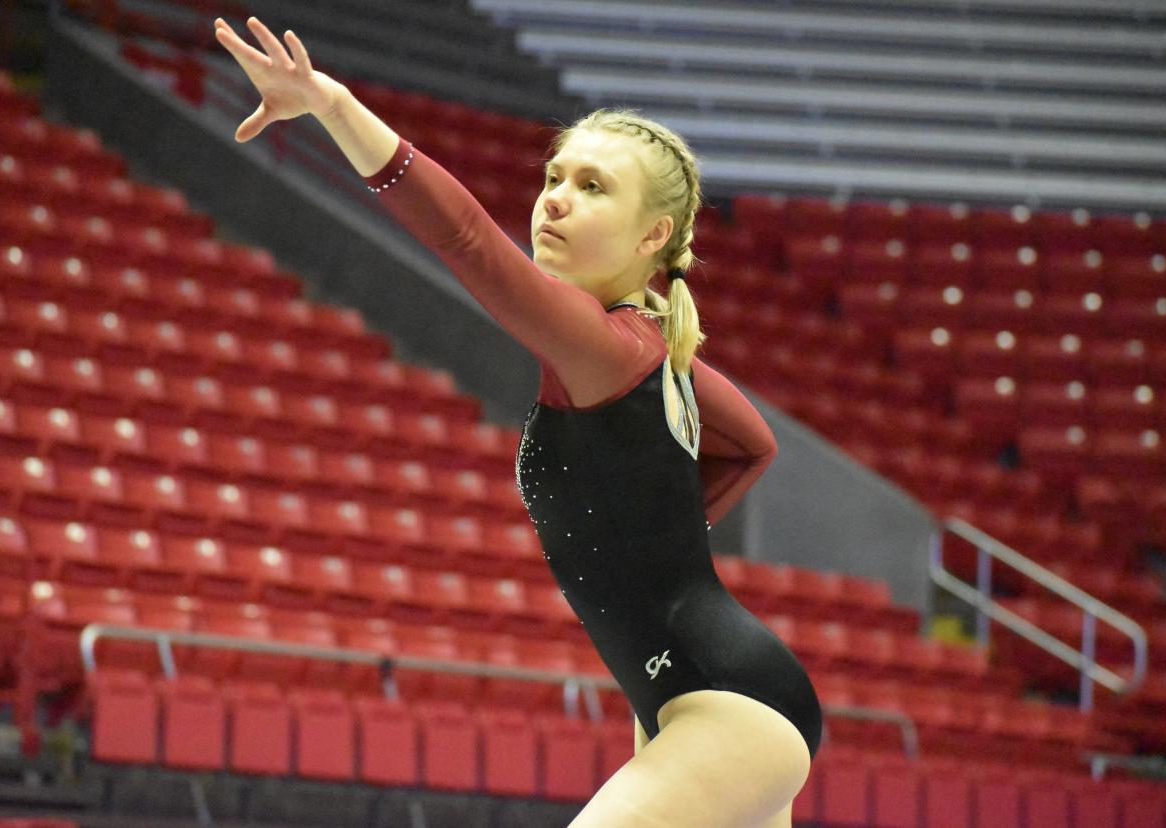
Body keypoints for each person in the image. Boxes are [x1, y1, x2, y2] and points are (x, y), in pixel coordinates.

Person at [214, 16, 822, 827]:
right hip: (694, 700)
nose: (556, 201)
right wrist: (658, 538)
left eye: (594, 187)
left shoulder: (606, 346)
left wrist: (331, 103)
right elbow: (755, 445)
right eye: (555, 178)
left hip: (726, 705)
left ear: (656, 236)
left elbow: (467, 237)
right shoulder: (657, 353)